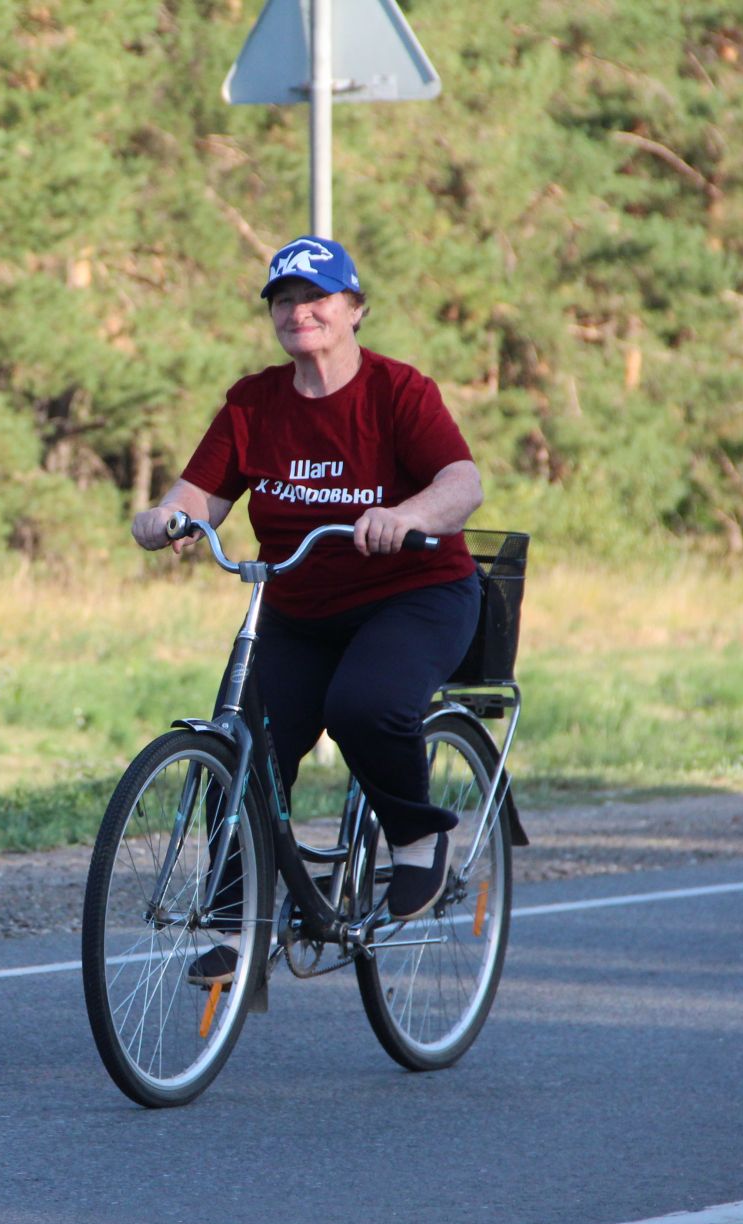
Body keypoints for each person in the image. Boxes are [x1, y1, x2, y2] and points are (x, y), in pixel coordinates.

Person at [131, 235, 483, 983]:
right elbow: (203, 492)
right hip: (299, 606)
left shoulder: (398, 391)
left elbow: (462, 483)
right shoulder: (254, 402)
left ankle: (419, 842)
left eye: (317, 298)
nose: (301, 313)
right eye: (285, 301)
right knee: (247, 743)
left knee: (365, 704)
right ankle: (240, 921)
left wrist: (409, 515)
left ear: (354, 309)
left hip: (414, 595)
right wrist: (166, 515)